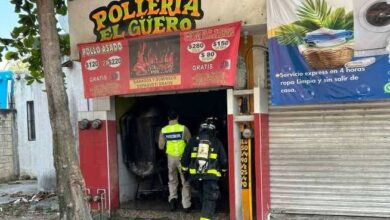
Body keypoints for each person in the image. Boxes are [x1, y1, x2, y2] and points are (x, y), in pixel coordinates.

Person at [180, 117, 228, 220]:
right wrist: (224, 172)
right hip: (210, 178)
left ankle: (209, 216)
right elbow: (224, 160)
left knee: (204, 199)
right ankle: (206, 217)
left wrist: (185, 171)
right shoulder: (216, 142)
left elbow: (184, 160)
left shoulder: (193, 140)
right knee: (209, 200)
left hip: (195, 178)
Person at [158, 110, 192, 212]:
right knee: (185, 180)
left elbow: (160, 146)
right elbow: (190, 142)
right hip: (183, 157)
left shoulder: (164, 130)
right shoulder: (183, 128)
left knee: (172, 179)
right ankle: (186, 205)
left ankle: (173, 200)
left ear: (168, 118)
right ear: (178, 117)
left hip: (171, 158)